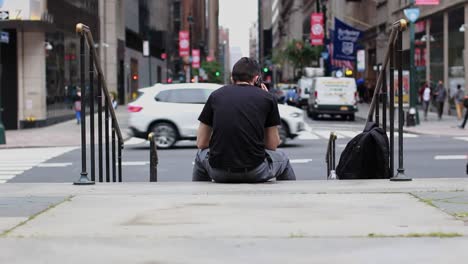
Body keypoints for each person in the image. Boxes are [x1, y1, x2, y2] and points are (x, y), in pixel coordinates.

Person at [192, 57, 296, 183]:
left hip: (218, 172)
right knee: (283, 158)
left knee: (200, 155)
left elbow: (201, 143)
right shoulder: (267, 98)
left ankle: (198, 195)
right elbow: (272, 145)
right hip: (255, 171)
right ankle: (291, 197)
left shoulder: (215, 96)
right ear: (257, 79)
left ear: (232, 78)